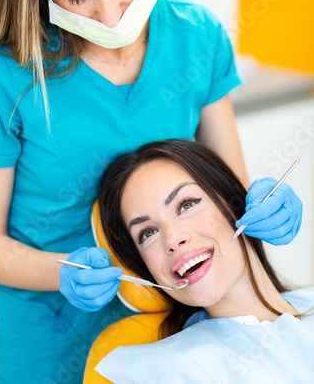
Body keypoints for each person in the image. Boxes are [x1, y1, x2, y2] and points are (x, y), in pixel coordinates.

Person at [0, 0, 302, 383]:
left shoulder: (197, 38)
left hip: (168, 327)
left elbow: (228, 195)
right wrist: (62, 271)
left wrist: (264, 206)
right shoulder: (5, 76)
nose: (111, 15)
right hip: (33, 338)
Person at [96, 139, 314, 383]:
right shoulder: (168, 370)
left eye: (186, 205)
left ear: (234, 204)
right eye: (148, 233)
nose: (172, 239)